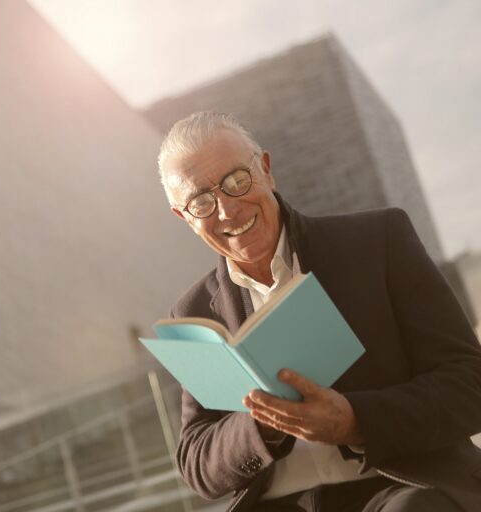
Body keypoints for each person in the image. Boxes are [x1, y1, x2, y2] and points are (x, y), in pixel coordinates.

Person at [157, 111, 481, 512]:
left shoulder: (378, 242)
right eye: (202, 202)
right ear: (185, 218)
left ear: (267, 170)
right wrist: (262, 424)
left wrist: (355, 420)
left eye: (237, 181)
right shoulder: (192, 313)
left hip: (397, 488)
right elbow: (196, 462)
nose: (227, 210)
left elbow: (470, 384)